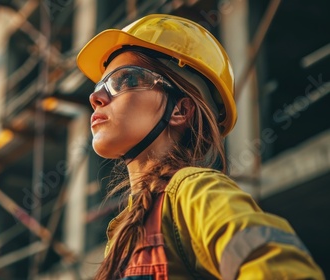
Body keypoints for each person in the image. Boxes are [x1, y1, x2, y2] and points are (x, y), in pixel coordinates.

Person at [76, 14, 324, 279]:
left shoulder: (194, 191)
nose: (96, 97)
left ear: (180, 110)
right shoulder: (123, 231)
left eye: (125, 80)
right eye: (99, 86)